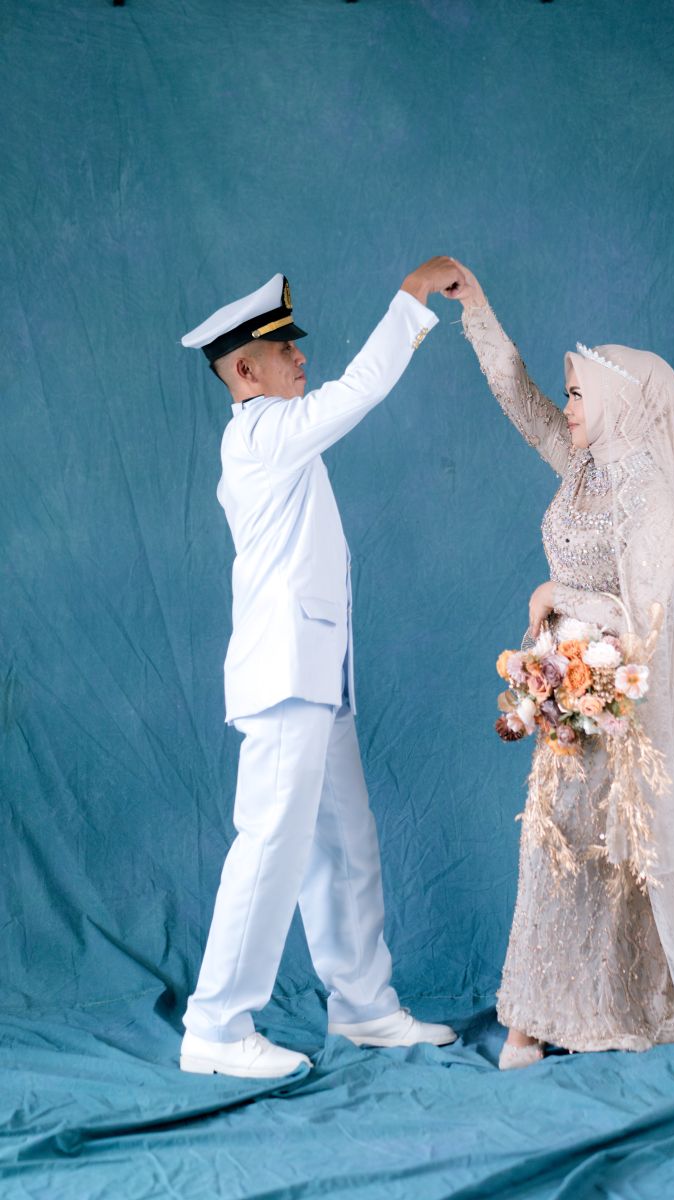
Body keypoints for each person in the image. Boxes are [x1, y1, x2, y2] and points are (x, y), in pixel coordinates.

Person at [446, 261, 674, 1067]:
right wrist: (476, 308)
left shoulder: (650, 494)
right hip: (565, 683)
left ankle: (606, 1009)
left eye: (579, 395)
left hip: (617, 694)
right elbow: (520, 399)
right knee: (555, 848)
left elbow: (647, 622)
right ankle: (535, 1016)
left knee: (604, 856)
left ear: (619, 405)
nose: (568, 407)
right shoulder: (584, 463)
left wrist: (555, 595)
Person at [178, 259, 463, 1078]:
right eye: (283, 351)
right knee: (272, 842)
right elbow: (359, 391)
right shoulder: (262, 434)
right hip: (284, 677)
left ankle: (364, 1007)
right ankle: (215, 1026)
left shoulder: (277, 438)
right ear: (244, 373)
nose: (301, 357)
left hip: (317, 673)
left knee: (344, 844)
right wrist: (410, 298)